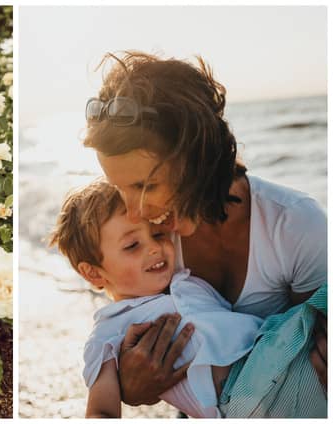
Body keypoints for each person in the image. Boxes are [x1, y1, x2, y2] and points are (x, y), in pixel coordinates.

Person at [82, 52, 327, 412]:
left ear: (197, 158)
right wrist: (132, 388)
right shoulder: (150, 243)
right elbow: (135, 331)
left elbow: (312, 339)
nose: (135, 211)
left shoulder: (292, 225)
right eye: (121, 189)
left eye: (145, 185)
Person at [50, 180, 326, 418]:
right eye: (132, 245)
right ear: (93, 273)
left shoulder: (187, 281)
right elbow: (101, 411)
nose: (155, 248)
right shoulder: (109, 331)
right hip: (243, 395)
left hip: (276, 350)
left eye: (158, 233)